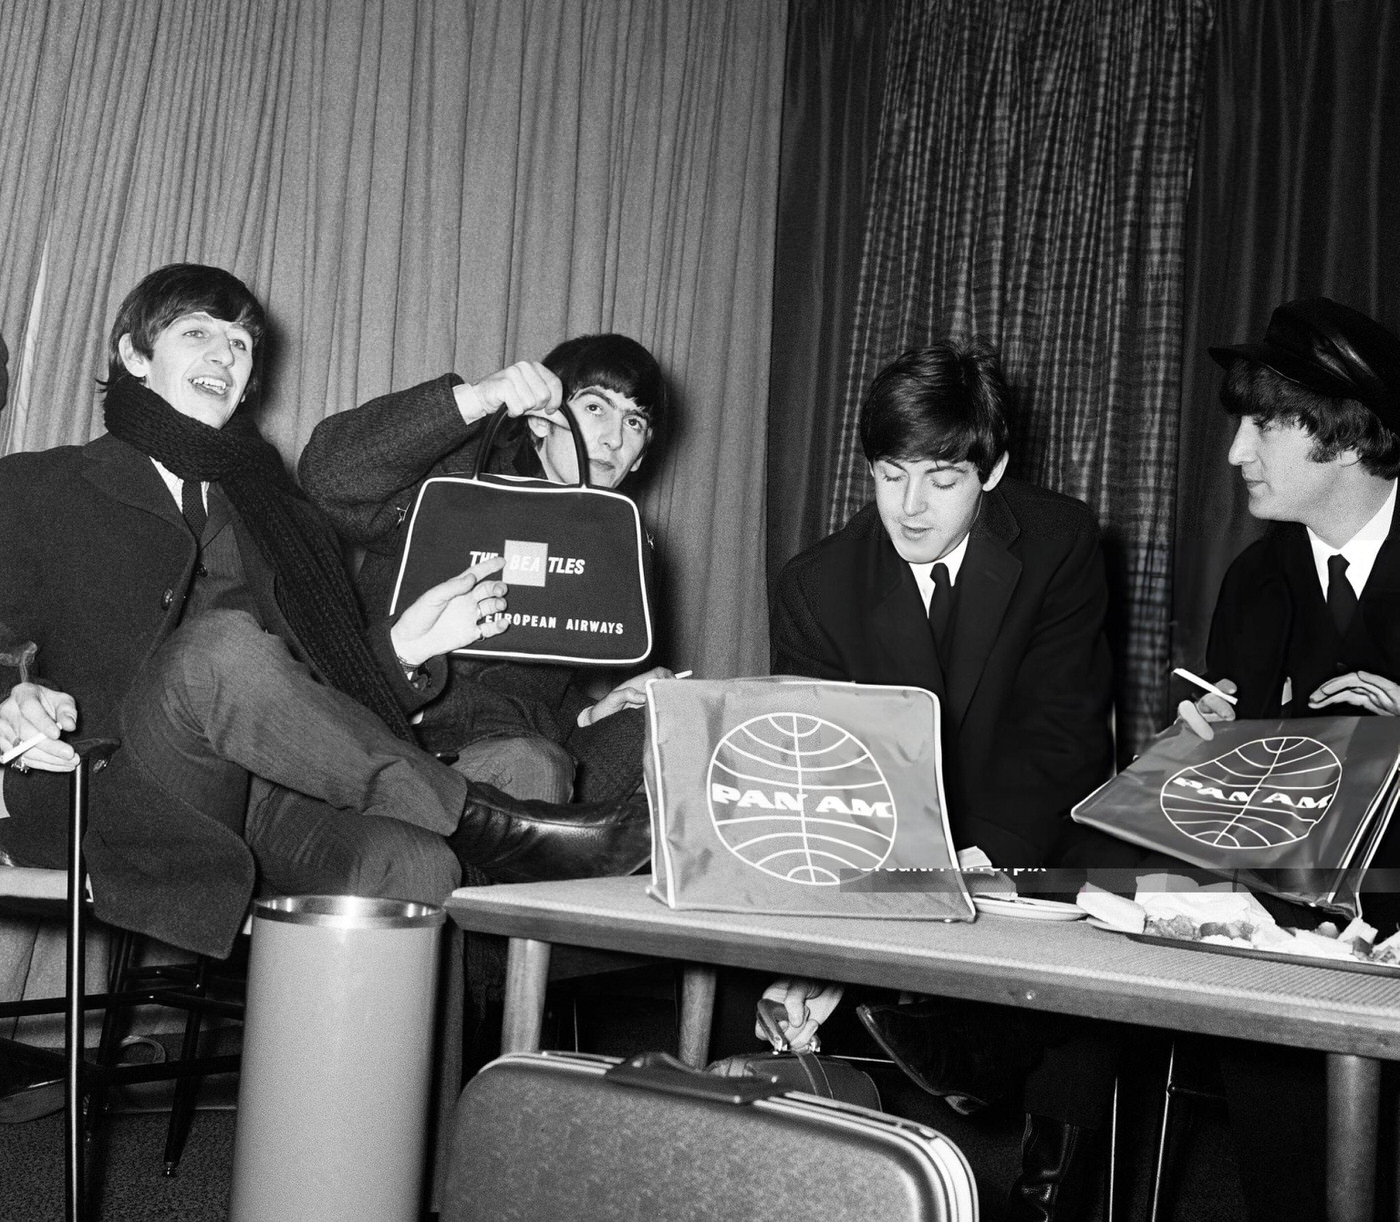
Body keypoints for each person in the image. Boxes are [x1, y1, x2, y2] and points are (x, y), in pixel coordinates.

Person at [0, 264, 649, 963]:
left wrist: (404, 649)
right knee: (218, 647)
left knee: (415, 869)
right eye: (198, 334)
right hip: (110, 788)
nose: (225, 353)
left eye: (242, 344)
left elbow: (320, 693)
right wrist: (9, 694)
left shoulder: (281, 519)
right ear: (134, 355)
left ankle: (438, 1071)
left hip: (273, 802)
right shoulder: (38, 486)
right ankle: (481, 818)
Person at [765, 340, 1118, 1222]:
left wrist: (979, 857)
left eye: (941, 478)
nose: (910, 507)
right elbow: (824, 780)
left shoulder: (1060, 541)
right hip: (890, 845)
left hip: (1031, 823)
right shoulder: (814, 587)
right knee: (781, 962)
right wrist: (826, 947)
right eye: (889, 475)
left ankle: (1049, 1180)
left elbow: (1062, 732)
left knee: (1100, 901)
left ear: (991, 470)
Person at [1176, 295, 1400, 1221]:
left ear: (1345, 439)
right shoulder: (1252, 581)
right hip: (1279, 942)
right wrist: (1202, 761)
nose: (1237, 453)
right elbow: (1238, 807)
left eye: (1263, 424)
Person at [299, 332, 676, 806]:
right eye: (596, 408)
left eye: (635, 421)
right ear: (543, 419)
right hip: (395, 733)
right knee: (535, 764)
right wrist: (476, 399)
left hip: (510, 754)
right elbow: (329, 477)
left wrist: (591, 714)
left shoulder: (608, 542)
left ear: (641, 457)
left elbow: (525, 686)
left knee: (661, 721)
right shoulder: (453, 483)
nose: (614, 439)